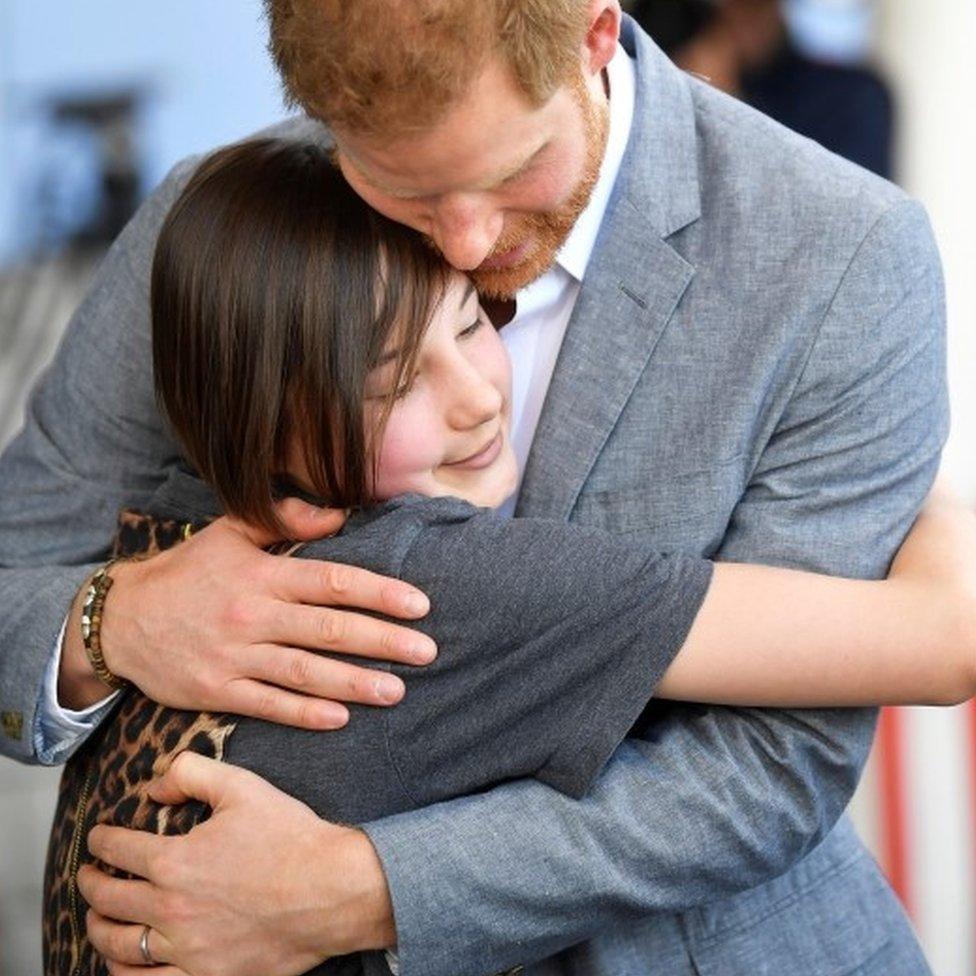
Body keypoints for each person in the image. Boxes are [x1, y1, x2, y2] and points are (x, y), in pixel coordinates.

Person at [0, 2, 950, 974]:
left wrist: (364, 888)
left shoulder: (842, 254)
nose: (462, 243)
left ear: (592, 35)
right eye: (402, 187)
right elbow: (14, 561)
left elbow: (774, 767)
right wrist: (112, 620)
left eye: (507, 173)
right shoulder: (223, 226)